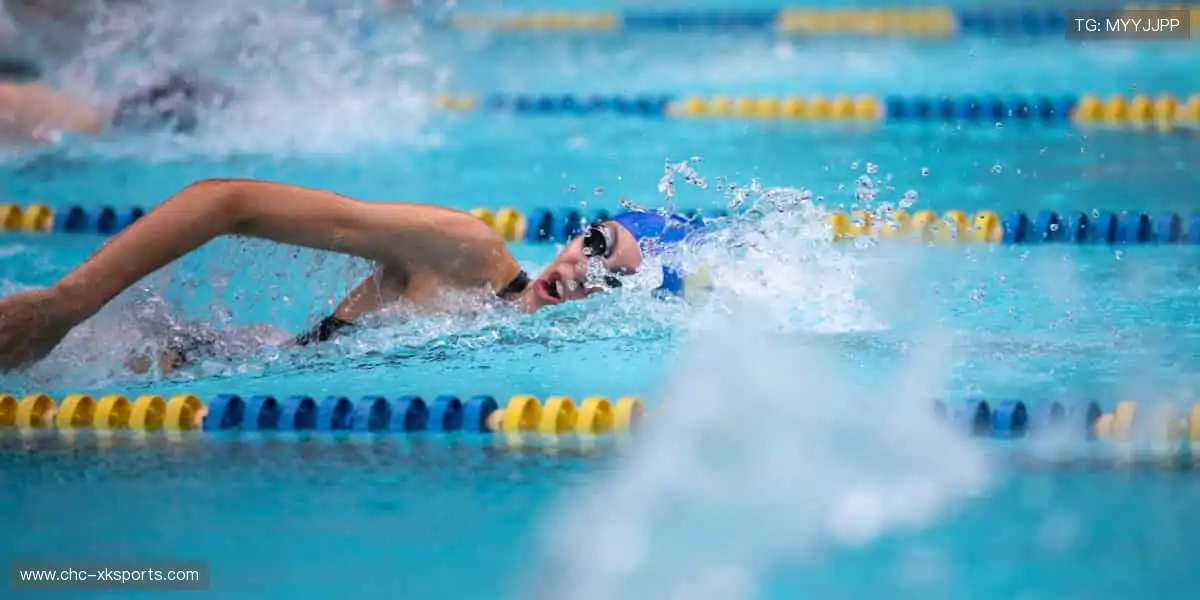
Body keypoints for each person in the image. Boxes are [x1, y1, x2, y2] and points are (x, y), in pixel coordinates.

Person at [0, 178, 711, 373]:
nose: (582, 271)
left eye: (612, 280)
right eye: (595, 242)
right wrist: (66, 304)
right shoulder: (464, 254)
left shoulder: (562, 367)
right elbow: (228, 203)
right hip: (164, 360)